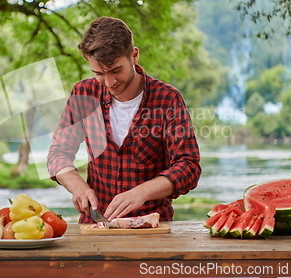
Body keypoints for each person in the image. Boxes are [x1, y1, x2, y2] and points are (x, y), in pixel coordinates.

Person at [47, 17, 201, 224]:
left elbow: (189, 166)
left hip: (152, 227)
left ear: (134, 55)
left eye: (115, 70)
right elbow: (58, 152)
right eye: (99, 73)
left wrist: (143, 192)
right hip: (96, 226)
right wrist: (78, 187)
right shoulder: (84, 93)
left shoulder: (167, 98)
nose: (109, 82)